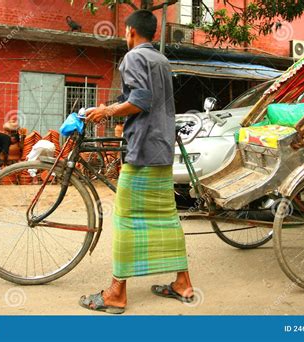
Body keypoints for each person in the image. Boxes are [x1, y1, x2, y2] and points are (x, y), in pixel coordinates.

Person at [79, 10, 194, 314]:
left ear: (130, 31)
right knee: (164, 215)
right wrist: (116, 112)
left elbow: (140, 100)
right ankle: (183, 282)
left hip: (143, 148)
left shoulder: (133, 57)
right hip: (161, 146)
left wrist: (106, 111)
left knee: (126, 218)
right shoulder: (162, 60)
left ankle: (116, 293)